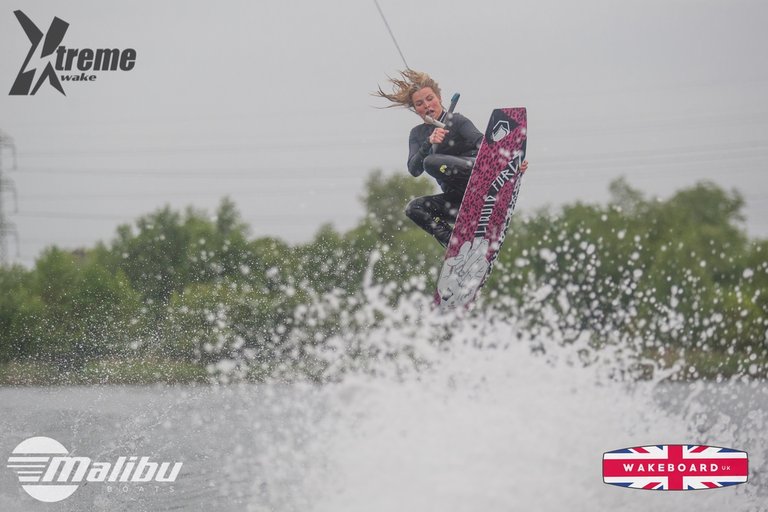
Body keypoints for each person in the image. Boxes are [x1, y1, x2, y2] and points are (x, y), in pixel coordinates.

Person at [376, 69, 527, 248]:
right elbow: (414, 170)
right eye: (419, 103)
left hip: (480, 180)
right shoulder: (417, 134)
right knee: (414, 208)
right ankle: (454, 243)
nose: (426, 105)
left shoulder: (457, 121)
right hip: (459, 202)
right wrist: (428, 143)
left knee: (431, 163)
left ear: (439, 97)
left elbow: (483, 145)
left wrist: (511, 165)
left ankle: (488, 185)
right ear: (416, 109)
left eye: (430, 98)